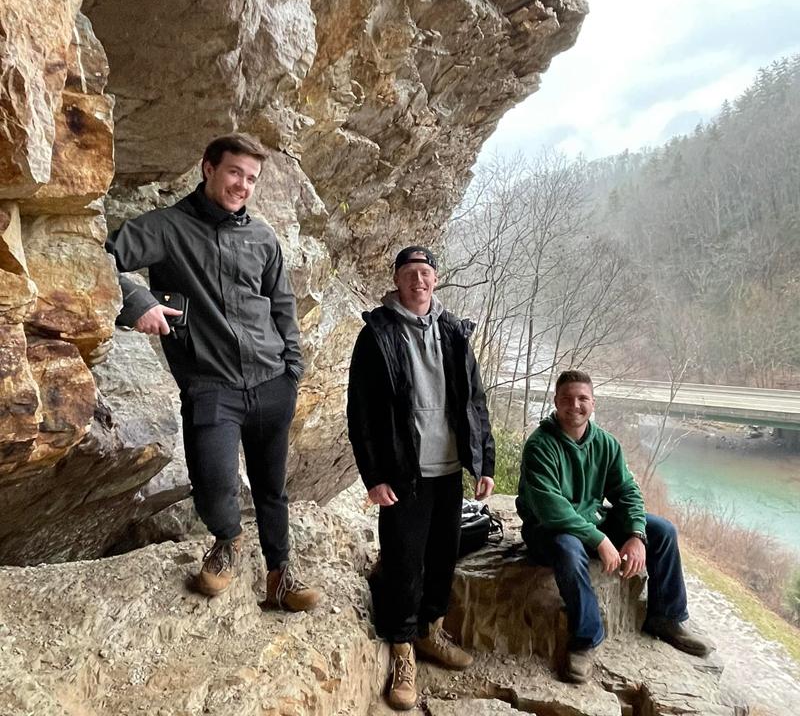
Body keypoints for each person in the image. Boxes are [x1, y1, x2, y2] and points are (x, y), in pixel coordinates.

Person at [106, 132, 319, 612]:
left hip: (270, 383)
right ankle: (227, 540)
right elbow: (98, 254)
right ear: (208, 168)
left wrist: (292, 372)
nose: (242, 185)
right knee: (214, 483)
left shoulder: (263, 237)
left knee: (271, 488)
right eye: (234, 172)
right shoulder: (166, 228)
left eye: (251, 178)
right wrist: (138, 301)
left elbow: (282, 307)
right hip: (210, 386)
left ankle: (280, 575)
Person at [347, 246, 496, 711]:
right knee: (402, 562)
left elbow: (474, 400)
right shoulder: (377, 335)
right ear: (397, 280)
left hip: (449, 470)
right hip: (405, 474)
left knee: (442, 557)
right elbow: (362, 414)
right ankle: (402, 650)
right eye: (410, 273)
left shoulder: (453, 332)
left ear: (436, 279)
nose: (419, 281)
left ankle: (430, 629)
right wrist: (374, 476)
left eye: (426, 273)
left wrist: (484, 462)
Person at [517, 369, 713, 683]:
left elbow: (627, 492)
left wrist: (636, 534)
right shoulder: (540, 446)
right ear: (555, 402)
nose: (575, 405)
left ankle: (665, 617)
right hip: (548, 530)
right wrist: (600, 540)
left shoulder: (605, 444)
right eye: (567, 399)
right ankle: (586, 640)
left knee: (662, 531)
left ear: (593, 403)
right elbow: (551, 509)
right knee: (567, 547)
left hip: (590, 521)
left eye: (583, 399)